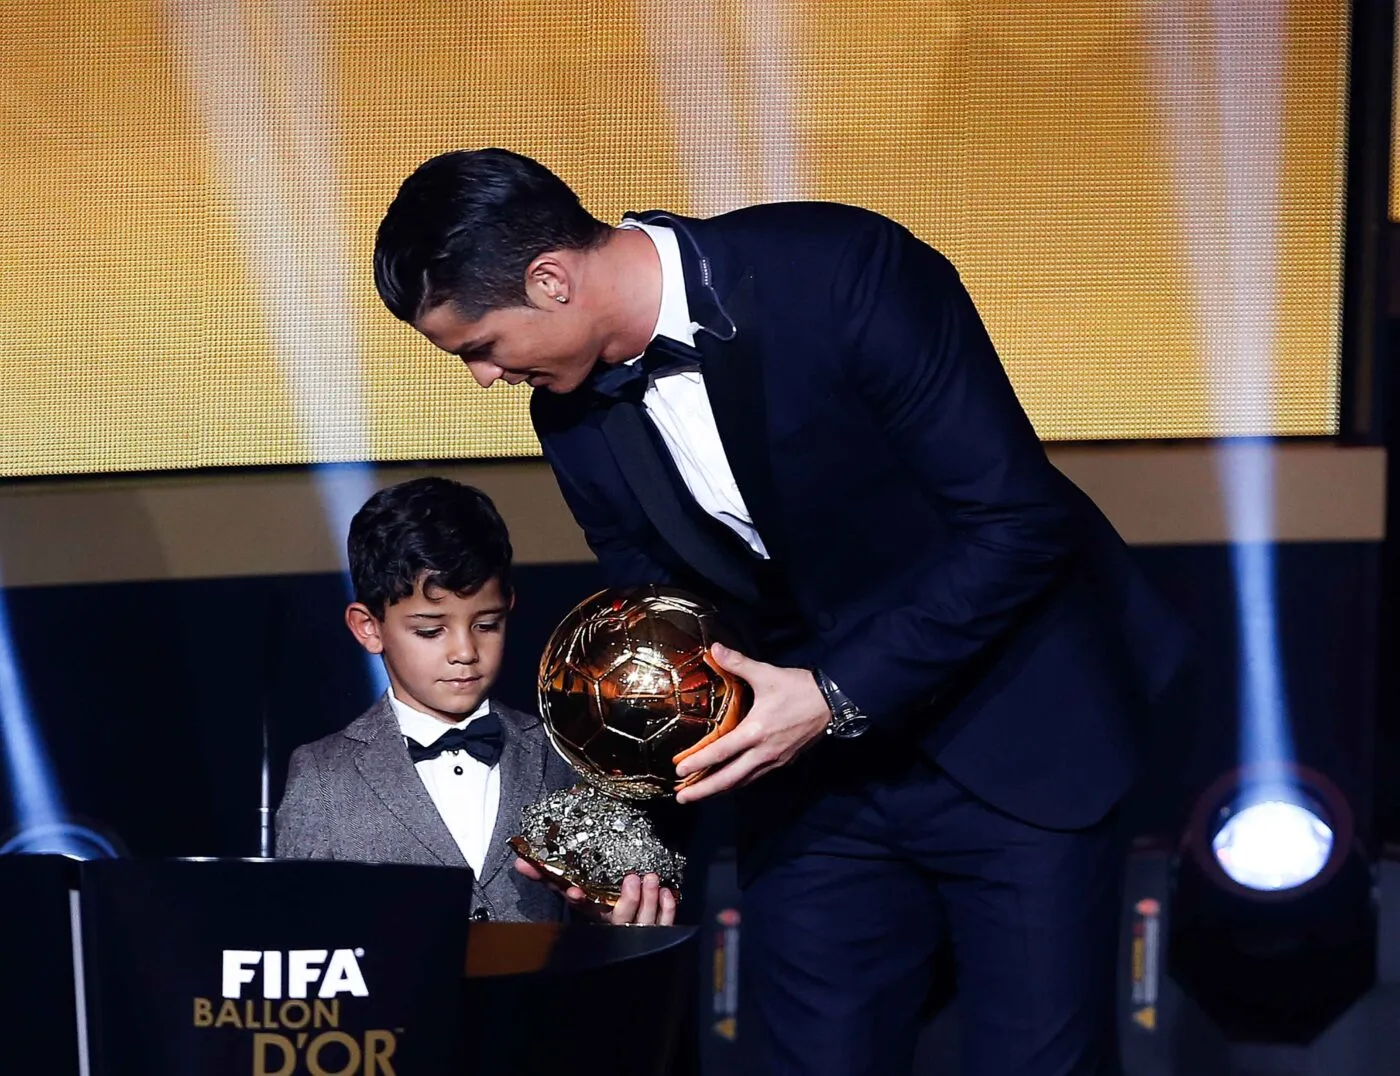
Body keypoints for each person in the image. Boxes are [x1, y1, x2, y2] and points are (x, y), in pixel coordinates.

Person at [372, 149, 1188, 1074]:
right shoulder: (571, 417)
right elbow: (671, 633)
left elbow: (1019, 525)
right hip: (813, 790)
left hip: (1015, 736)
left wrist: (836, 692)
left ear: (550, 280)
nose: (484, 378)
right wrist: (628, 835)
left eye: (479, 347)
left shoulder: (841, 272)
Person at [275, 476, 676, 926]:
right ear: (369, 627)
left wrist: (611, 919)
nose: (465, 651)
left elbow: (612, 914)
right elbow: (295, 937)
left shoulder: (564, 753)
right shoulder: (322, 775)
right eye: (430, 630)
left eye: (486, 625)